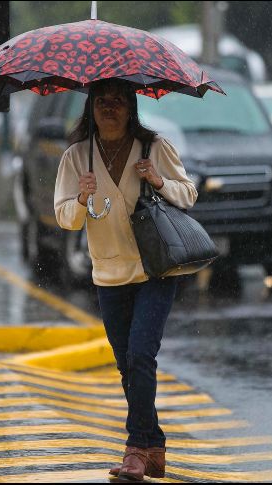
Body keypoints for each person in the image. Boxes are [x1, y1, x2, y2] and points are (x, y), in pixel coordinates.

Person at [53, 79, 197, 481]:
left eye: (117, 101)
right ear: (91, 108)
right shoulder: (76, 157)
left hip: (154, 269)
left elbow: (188, 194)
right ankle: (155, 446)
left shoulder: (154, 148)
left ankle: (135, 449)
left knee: (140, 356)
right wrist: (81, 198)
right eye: (102, 101)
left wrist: (158, 180)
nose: (109, 108)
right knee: (127, 366)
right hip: (109, 273)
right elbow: (65, 219)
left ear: (131, 106)